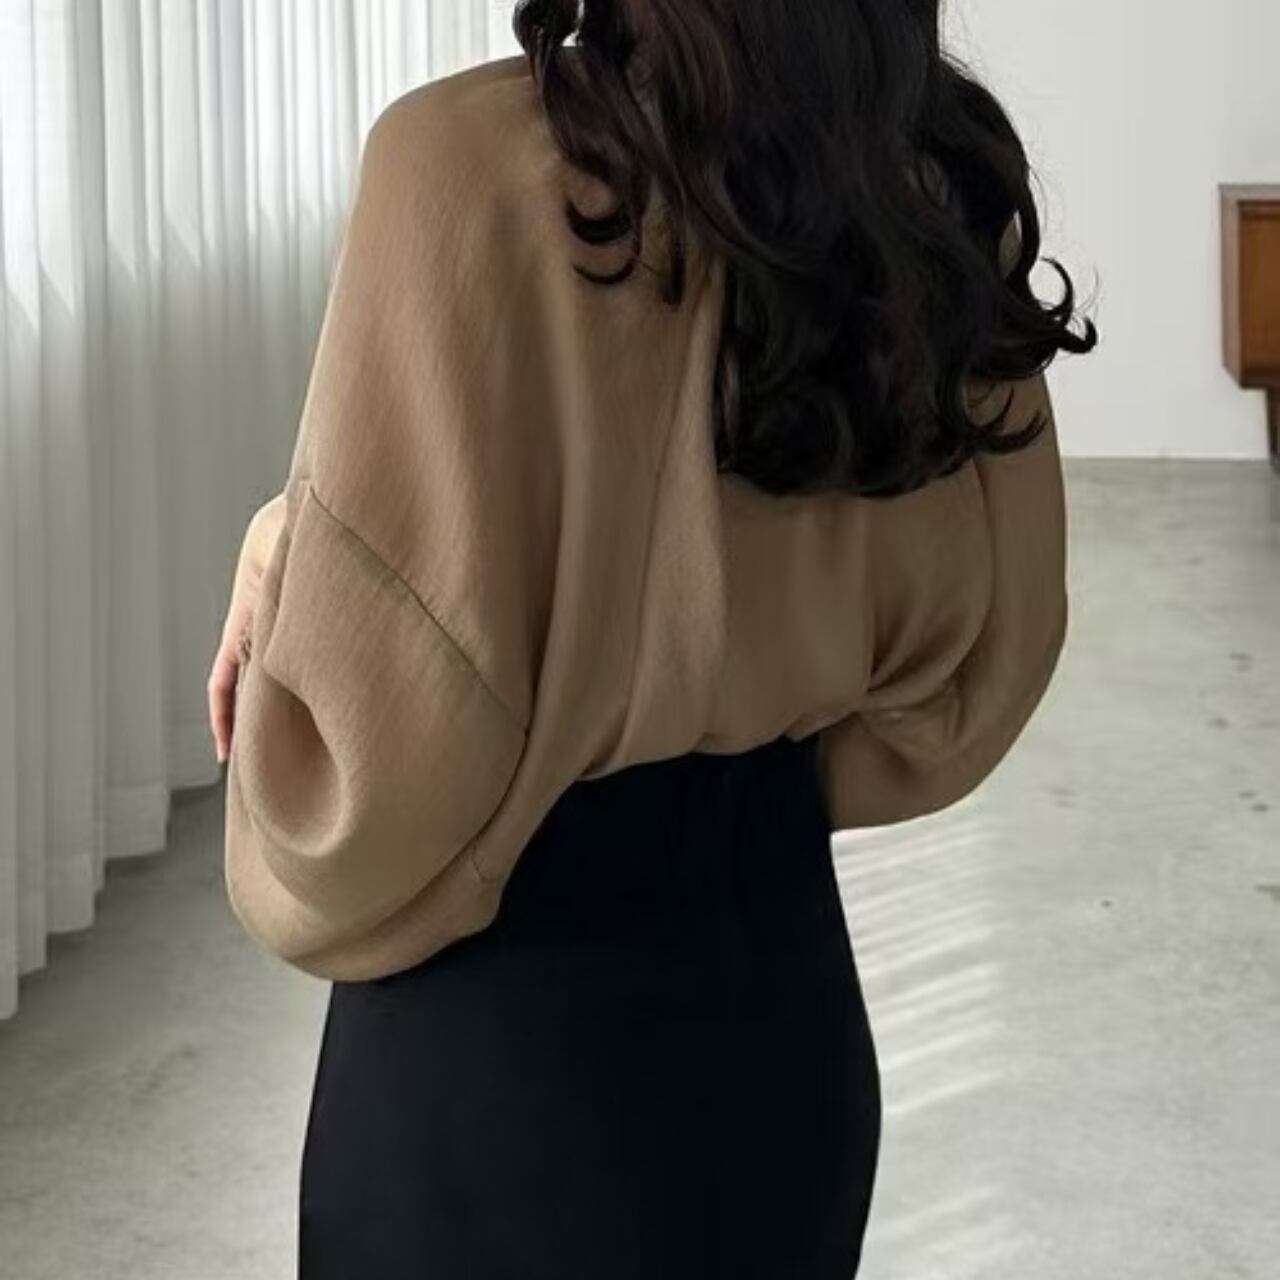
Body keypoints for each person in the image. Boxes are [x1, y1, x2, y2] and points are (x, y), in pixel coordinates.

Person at [207, 3, 1095, 1276]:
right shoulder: (930, 184)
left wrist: (289, 552)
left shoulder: (460, 169)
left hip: (497, 1073)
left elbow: (354, 813)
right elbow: (986, 663)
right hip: (781, 1034)